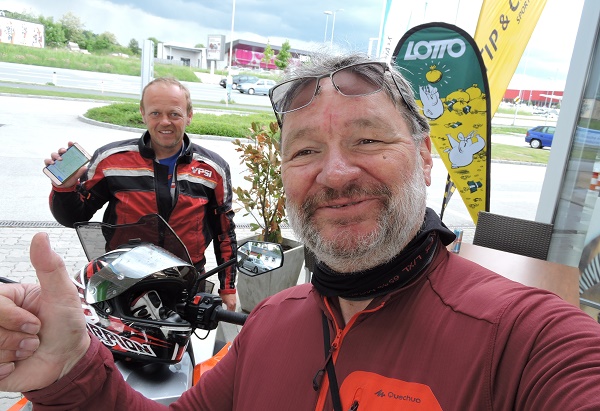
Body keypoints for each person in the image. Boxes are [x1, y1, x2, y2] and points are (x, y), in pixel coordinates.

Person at [2, 53, 600, 410]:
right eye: (306, 150)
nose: (335, 173)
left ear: (424, 157)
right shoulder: (269, 326)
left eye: (368, 139)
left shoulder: (526, 339)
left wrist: (226, 284)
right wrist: (70, 370)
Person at [44, 77, 237, 311]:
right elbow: (74, 217)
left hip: (185, 282)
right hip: (120, 281)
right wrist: (64, 188)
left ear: (189, 115)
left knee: (179, 337)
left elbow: (224, 231)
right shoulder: (111, 160)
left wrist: (228, 288)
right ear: (143, 113)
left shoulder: (212, 168)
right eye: (155, 113)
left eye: (174, 114)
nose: (165, 122)